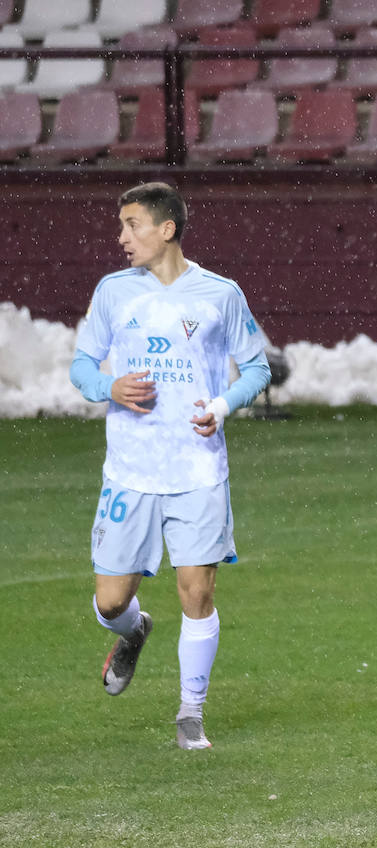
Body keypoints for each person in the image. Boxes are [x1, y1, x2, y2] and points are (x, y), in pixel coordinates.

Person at [68, 182, 270, 750]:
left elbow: (255, 368)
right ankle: (134, 630)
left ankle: (190, 713)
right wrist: (108, 384)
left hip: (198, 470)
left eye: (131, 225)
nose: (121, 237)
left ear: (166, 230)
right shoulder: (112, 293)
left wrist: (223, 405)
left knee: (196, 590)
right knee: (110, 601)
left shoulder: (219, 295)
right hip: (130, 470)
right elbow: (81, 367)